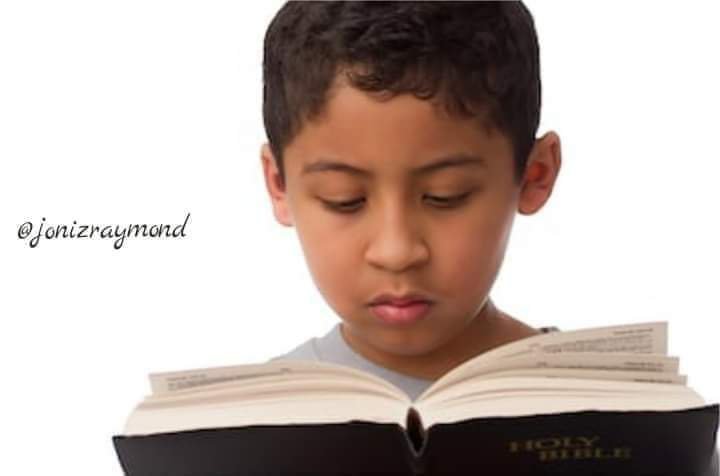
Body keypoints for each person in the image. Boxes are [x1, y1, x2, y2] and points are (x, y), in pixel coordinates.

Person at [258, 2, 718, 474]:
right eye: (345, 200)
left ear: (534, 175)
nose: (397, 252)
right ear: (279, 184)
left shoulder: (626, 418)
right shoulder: (251, 423)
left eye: (445, 196)